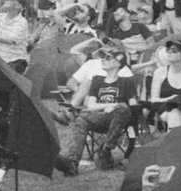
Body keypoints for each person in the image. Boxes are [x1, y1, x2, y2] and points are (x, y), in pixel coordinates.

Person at [55, 44, 137, 174]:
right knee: (81, 119)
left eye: (108, 58)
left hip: (119, 119)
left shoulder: (127, 82)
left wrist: (117, 107)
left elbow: (133, 105)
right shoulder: (98, 80)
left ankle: (106, 148)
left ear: (117, 63)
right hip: (101, 116)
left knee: (122, 108)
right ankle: (72, 163)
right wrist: (108, 106)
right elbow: (92, 105)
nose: (103, 59)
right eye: (103, 57)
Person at [148, 37, 181, 129]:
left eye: (174, 50)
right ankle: (175, 141)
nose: (169, 52)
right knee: (175, 113)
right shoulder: (160, 72)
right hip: (165, 109)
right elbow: (154, 100)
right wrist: (171, 98)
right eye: (168, 49)